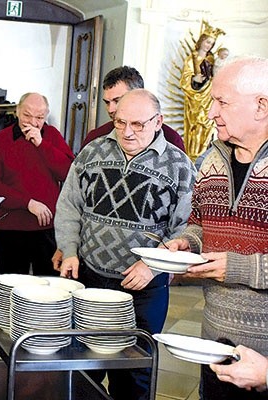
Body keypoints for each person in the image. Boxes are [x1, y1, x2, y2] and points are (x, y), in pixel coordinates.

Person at [54, 89, 196, 400]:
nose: (127, 132)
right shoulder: (92, 152)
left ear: (158, 122)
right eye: (120, 123)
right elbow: (69, 206)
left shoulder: (179, 165)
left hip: (144, 290)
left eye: (138, 124)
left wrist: (154, 264)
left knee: (134, 375)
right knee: (82, 370)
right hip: (90, 280)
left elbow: (186, 228)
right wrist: (70, 250)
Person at [168, 56, 268, 400]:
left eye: (222, 102)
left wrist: (239, 266)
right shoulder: (212, 157)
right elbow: (200, 223)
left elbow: (236, 261)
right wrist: (188, 243)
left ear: (261, 106)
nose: (210, 112)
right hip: (213, 339)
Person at [0, 92, 75, 276]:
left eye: (39, 117)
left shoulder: (53, 136)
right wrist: (28, 203)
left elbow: (68, 174)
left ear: (46, 116)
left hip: (47, 228)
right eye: (27, 115)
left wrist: (41, 144)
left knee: (49, 284)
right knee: (10, 286)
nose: (32, 122)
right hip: (10, 227)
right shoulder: (0, 140)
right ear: (17, 112)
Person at [81, 65, 185, 151]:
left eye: (118, 101)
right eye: (107, 102)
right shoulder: (95, 138)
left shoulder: (171, 139)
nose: (111, 109)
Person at [180, 20, 225, 162]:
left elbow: (216, 75)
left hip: (209, 98)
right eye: (207, 42)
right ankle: (193, 155)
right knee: (195, 127)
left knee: (207, 126)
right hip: (195, 101)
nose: (209, 46)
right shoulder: (191, 59)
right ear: (201, 41)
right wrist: (195, 80)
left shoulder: (212, 59)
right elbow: (184, 81)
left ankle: (203, 154)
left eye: (211, 44)